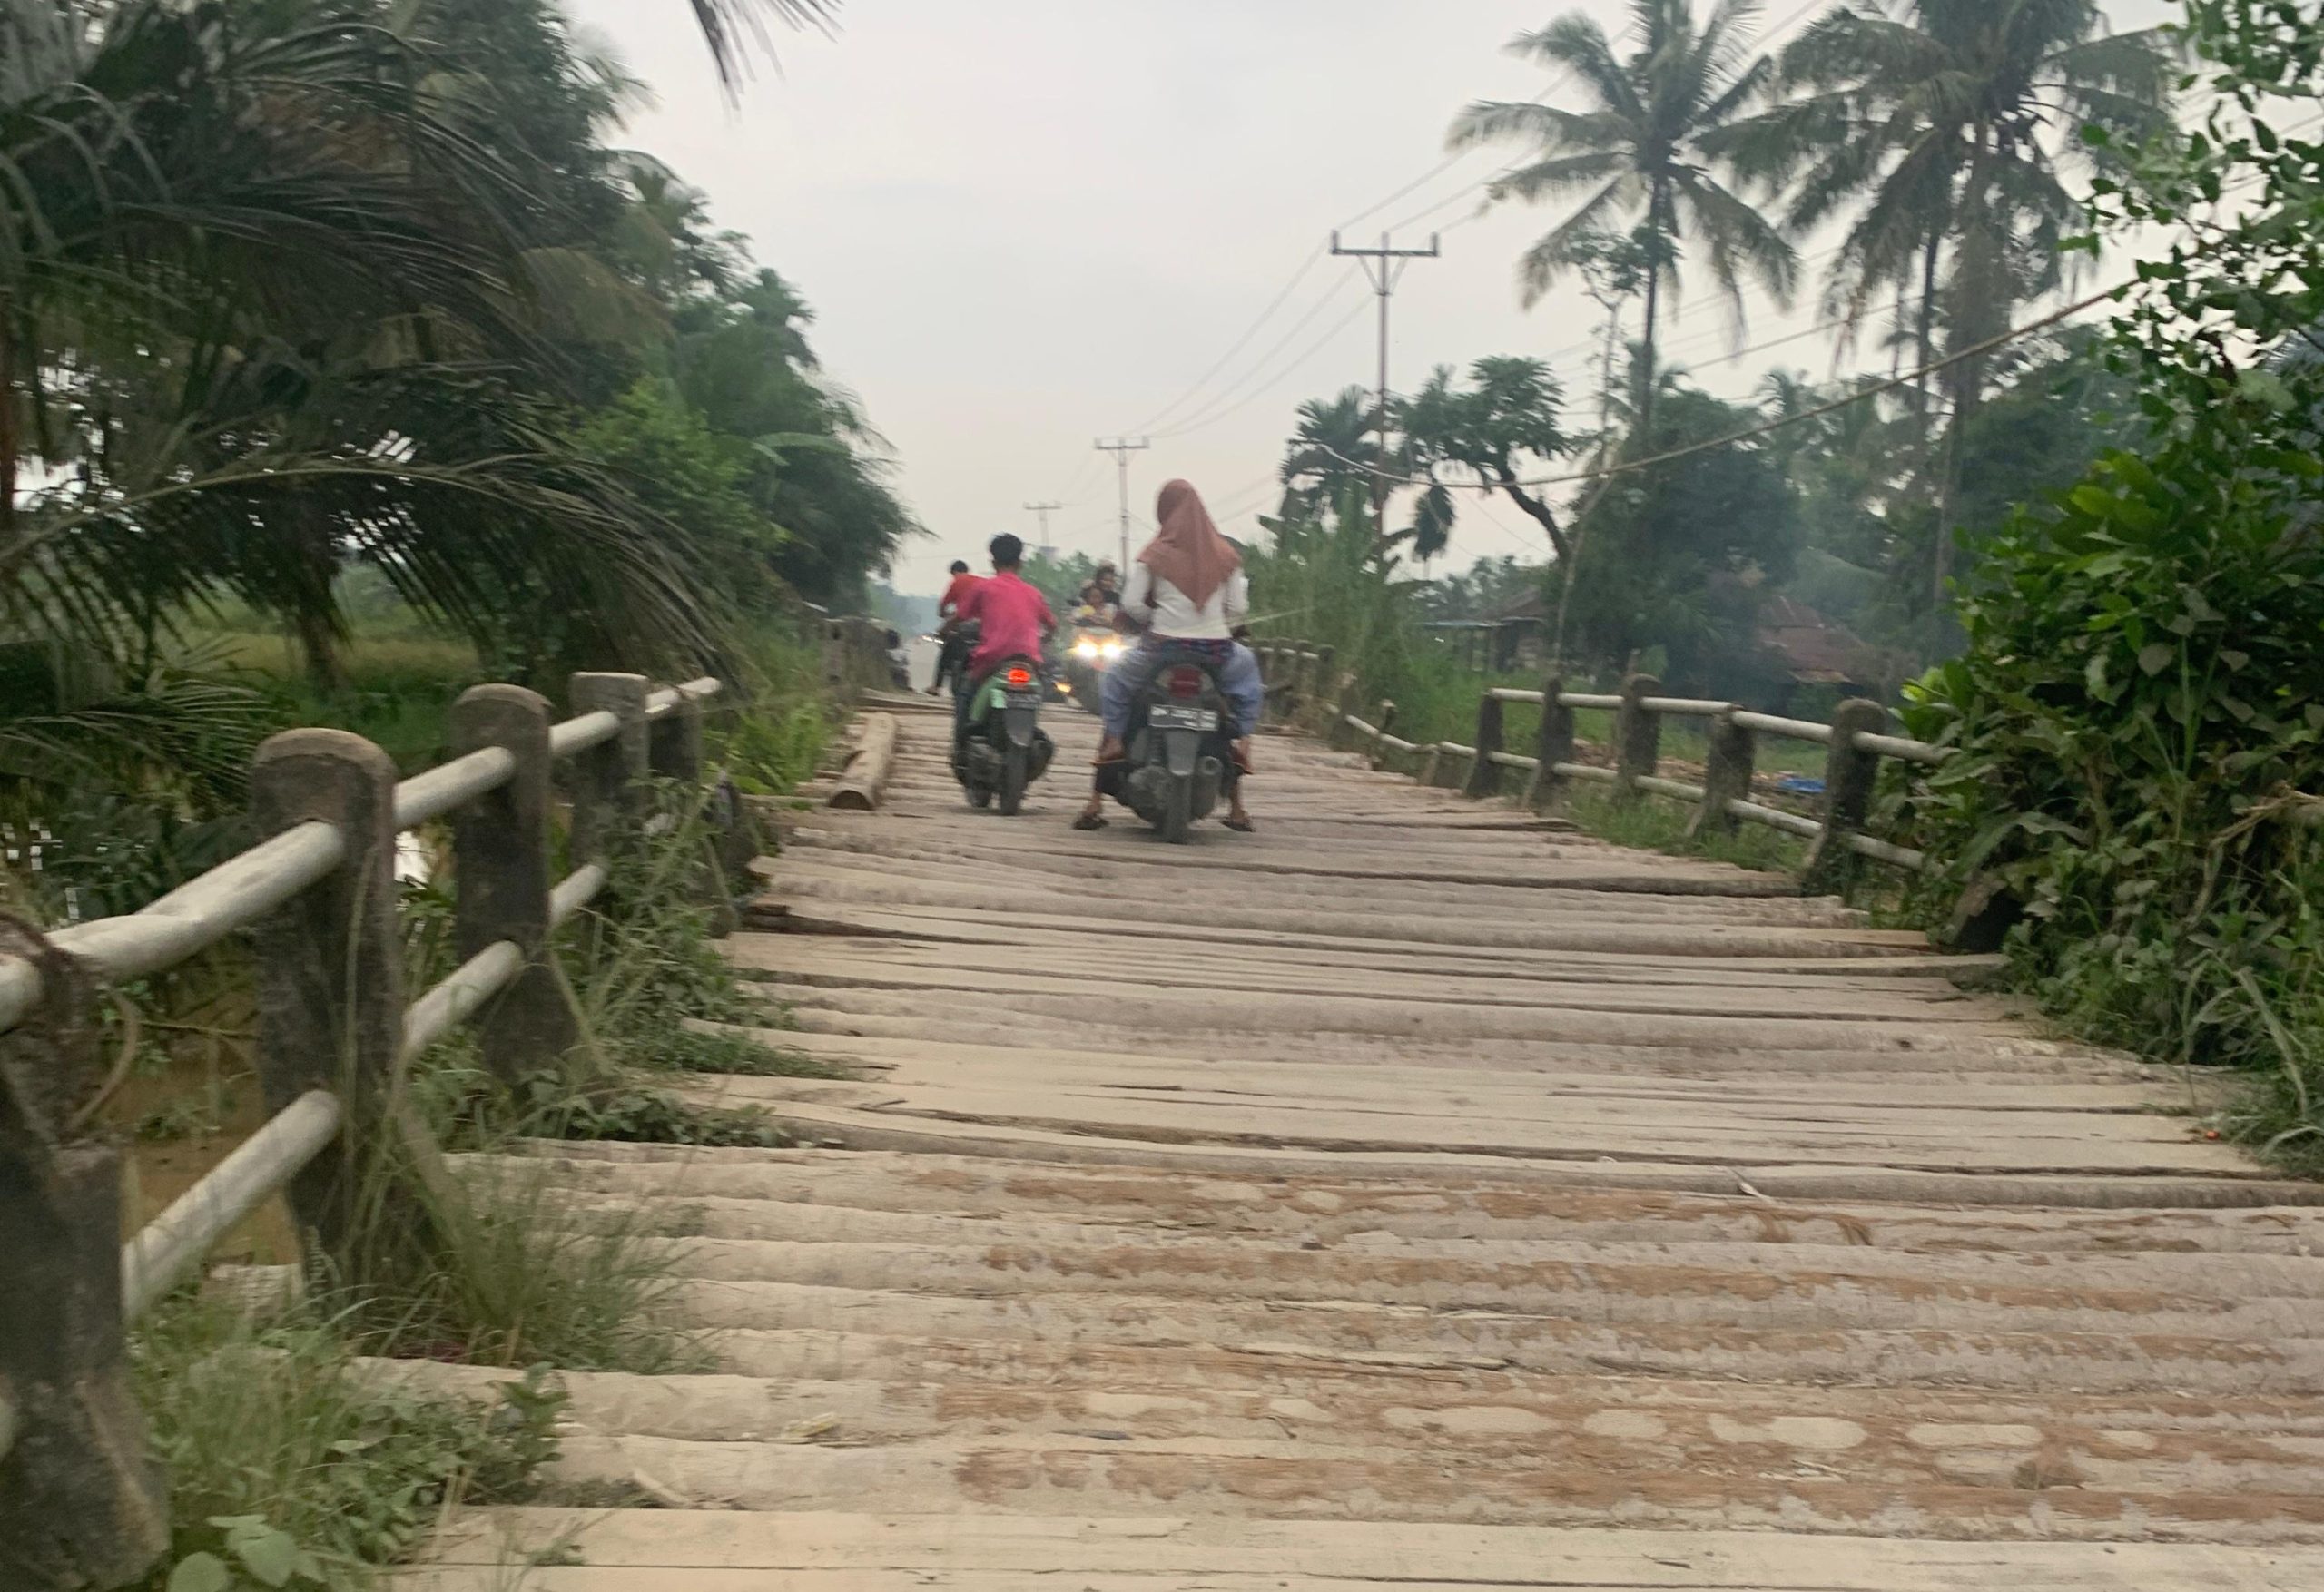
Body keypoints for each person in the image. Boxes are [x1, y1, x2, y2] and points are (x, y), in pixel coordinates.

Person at [1074, 479, 1262, 832]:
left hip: (1162, 648)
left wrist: (1154, 619)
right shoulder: (1226, 556)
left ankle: (1112, 748)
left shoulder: (1155, 554)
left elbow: (1131, 604)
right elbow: (1238, 608)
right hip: (1215, 652)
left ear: (1166, 512)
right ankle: (1242, 752)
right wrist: (1215, 623)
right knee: (1246, 681)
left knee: (1115, 679)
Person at [946, 533, 1058, 754]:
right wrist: (1042, 640)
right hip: (1029, 662)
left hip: (992, 660)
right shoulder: (1033, 593)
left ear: (993, 562)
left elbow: (961, 616)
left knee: (965, 693)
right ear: (1020, 563)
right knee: (1040, 691)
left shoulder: (984, 588)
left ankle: (960, 746)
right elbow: (1052, 626)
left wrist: (945, 629)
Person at [927, 559, 983, 696]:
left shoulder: (957, 581)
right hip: (985, 626)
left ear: (954, 572)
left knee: (947, 650)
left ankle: (936, 686)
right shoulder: (983, 582)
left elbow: (943, 605)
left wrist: (944, 616)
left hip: (963, 625)